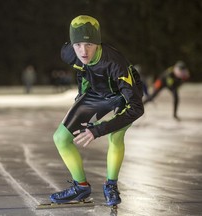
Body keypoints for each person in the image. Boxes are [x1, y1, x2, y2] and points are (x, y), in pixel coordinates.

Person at [50, 15, 144, 206]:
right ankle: (81, 187)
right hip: (96, 92)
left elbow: (136, 108)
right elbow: (82, 69)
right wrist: (81, 94)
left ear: (98, 43)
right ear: (72, 45)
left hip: (122, 96)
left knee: (115, 137)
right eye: (78, 46)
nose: (83, 51)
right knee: (60, 138)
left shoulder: (115, 64)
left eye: (89, 45)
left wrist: (98, 129)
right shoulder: (68, 53)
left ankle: (111, 186)